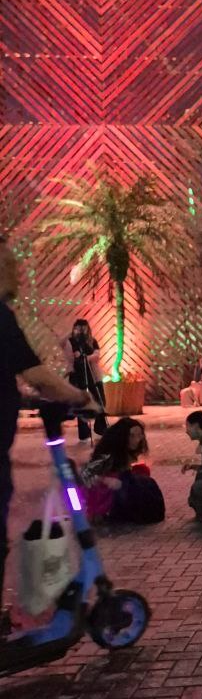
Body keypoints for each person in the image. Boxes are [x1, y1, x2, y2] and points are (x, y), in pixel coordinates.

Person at [0, 241, 100, 626]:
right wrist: (82, 398)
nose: (18, 271)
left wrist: (22, 397)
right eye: (10, 263)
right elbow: (39, 375)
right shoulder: (1, 317)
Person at [80, 417, 165, 525]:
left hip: (120, 484)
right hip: (107, 491)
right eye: (132, 436)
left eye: (139, 435)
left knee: (143, 474)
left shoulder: (127, 451)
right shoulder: (108, 454)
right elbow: (87, 474)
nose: (137, 439)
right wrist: (106, 480)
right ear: (123, 437)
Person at [61, 318, 108, 440]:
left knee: (100, 400)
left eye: (84, 327)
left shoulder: (92, 341)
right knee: (81, 403)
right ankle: (84, 432)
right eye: (78, 328)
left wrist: (85, 358)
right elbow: (63, 346)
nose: (82, 330)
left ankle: (100, 427)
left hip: (93, 375)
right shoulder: (71, 341)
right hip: (77, 375)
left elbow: (96, 355)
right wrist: (71, 334)